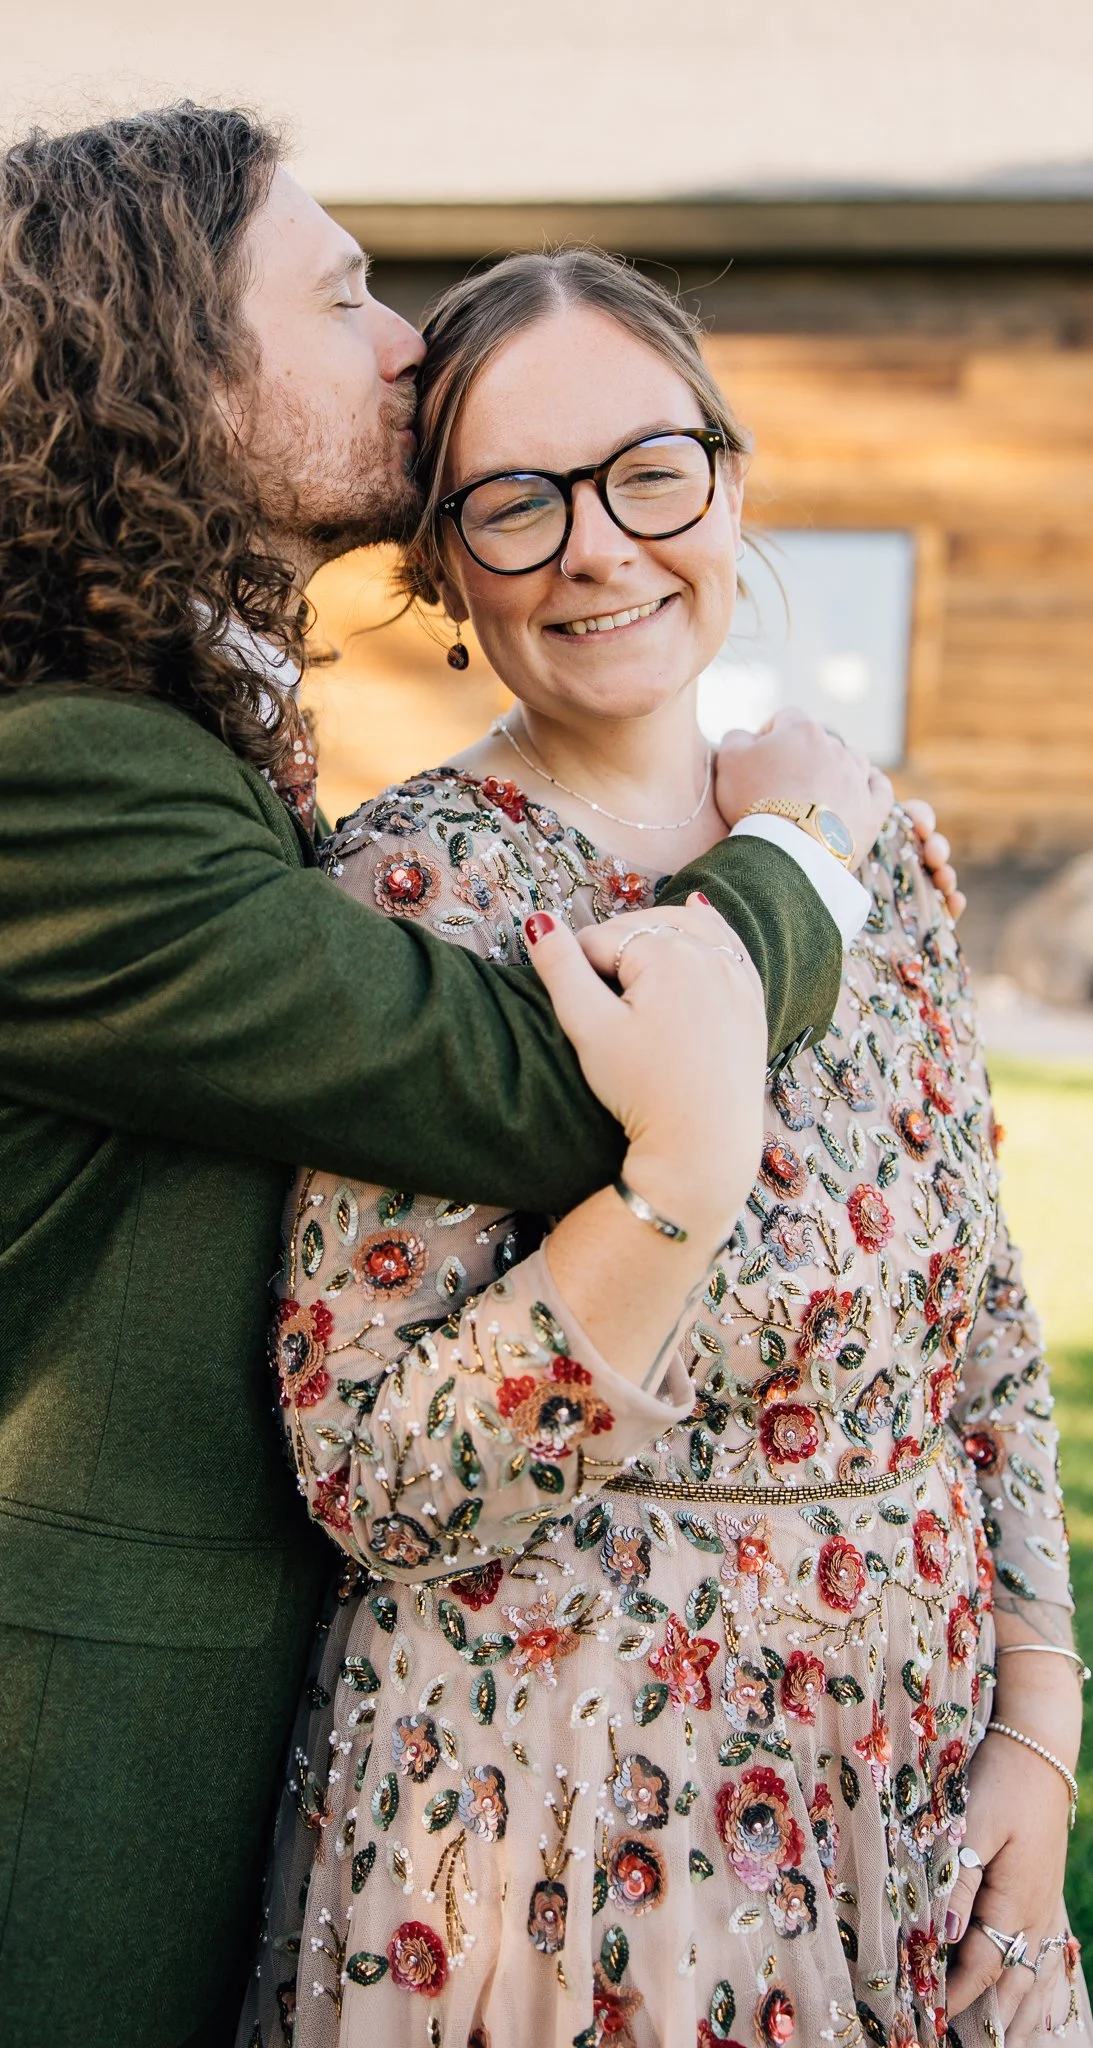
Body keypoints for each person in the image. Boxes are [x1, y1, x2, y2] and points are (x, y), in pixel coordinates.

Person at [0, 106, 943, 2048]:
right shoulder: (35, 784)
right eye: (339, 297)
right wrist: (804, 856)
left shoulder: (151, 729)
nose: (407, 342)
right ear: (165, 366)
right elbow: (510, 1073)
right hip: (93, 1722)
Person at [241, 250, 1087, 2048]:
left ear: (728, 475)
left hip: (917, 1788)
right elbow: (376, 1469)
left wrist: (1042, 1729)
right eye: (518, 503)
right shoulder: (411, 900)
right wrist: (658, 1202)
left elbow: (991, 1346)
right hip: (578, 1818)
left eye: (649, 471)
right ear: (446, 566)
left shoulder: (871, 848)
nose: (601, 547)